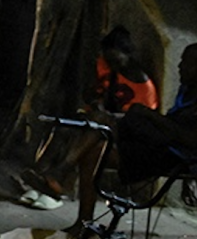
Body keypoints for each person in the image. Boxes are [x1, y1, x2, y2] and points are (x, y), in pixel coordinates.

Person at [65, 42, 197, 227]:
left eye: (184, 63)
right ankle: (79, 213)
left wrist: (150, 116)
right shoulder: (189, 90)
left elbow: (193, 140)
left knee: (95, 150)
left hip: (173, 157)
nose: (179, 67)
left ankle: (64, 175)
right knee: (98, 121)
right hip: (157, 146)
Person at [16, 25, 159, 210]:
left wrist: (106, 114)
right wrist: (94, 100)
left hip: (125, 130)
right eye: (109, 60)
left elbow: (138, 119)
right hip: (100, 121)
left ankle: (59, 183)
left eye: (117, 61)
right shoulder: (106, 67)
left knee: (88, 131)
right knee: (64, 128)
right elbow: (92, 93)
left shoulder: (142, 84)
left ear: (129, 55)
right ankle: (41, 176)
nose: (112, 65)